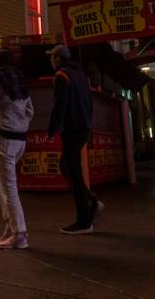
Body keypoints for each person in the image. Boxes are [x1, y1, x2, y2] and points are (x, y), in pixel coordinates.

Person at [0, 50, 33, 250]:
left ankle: (19, 234)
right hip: (21, 139)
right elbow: (30, 110)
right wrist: (22, 123)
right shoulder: (21, 81)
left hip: (4, 138)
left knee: (10, 187)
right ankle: (10, 223)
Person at [46, 44, 99, 235]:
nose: (51, 61)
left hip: (72, 128)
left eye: (52, 57)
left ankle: (84, 221)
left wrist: (52, 128)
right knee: (66, 166)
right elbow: (90, 102)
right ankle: (91, 200)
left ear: (58, 59)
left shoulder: (62, 76)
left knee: (74, 173)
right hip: (83, 127)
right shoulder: (81, 75)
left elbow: (60, 105)